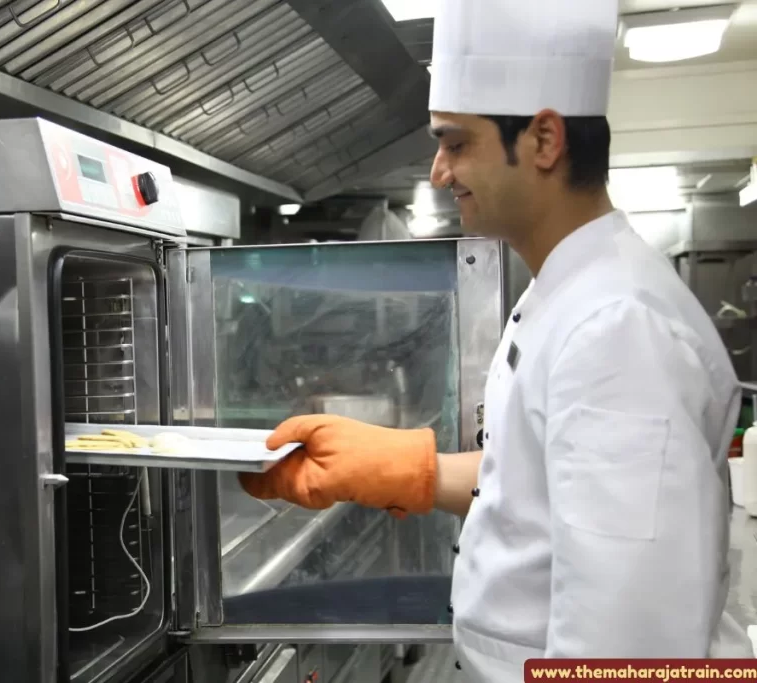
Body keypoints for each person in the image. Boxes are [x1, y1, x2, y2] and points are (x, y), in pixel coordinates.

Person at [238, 0, 755, 678]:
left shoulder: (617, 332)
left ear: (544, 139)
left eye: (455, 143)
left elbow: (626, 649)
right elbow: (550, 484)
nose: (439, 172)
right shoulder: (566, 294)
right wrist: (405, 467)